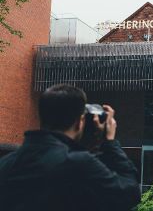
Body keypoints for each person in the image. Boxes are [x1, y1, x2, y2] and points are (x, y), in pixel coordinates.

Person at [0, 84, 141, 211]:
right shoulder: (77, 163)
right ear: (80, 122)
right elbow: (129, 194)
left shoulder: (6, 163)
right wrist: (110, 142)